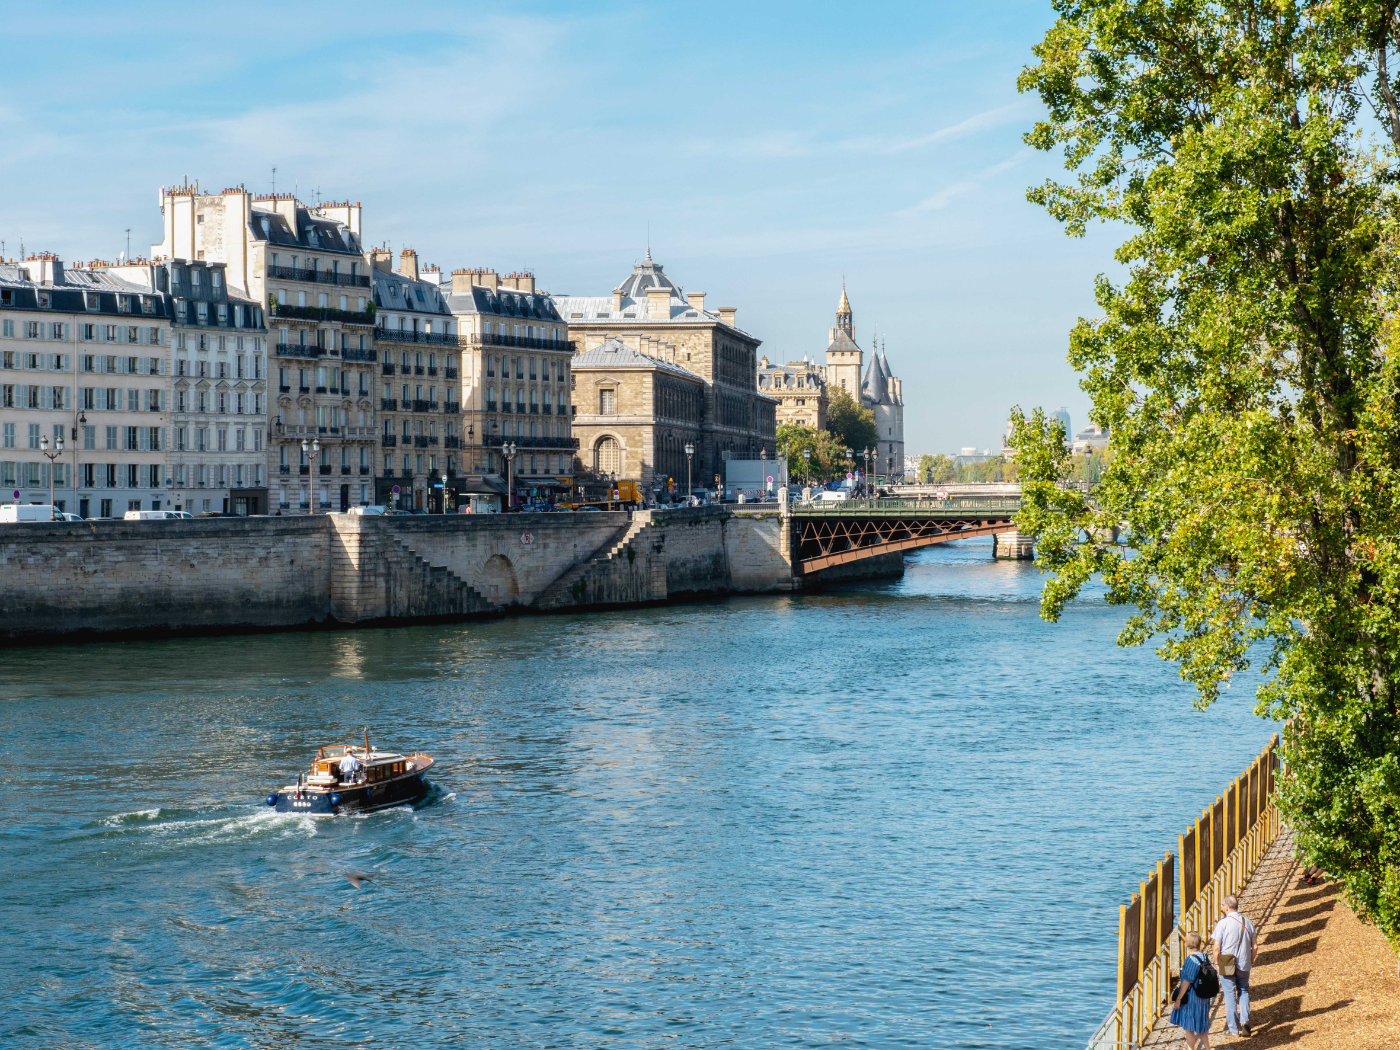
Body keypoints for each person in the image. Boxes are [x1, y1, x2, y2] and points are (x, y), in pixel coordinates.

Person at [1212, 895, 1258, 1038]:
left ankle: (1233, 1029)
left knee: (1230, 994)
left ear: (1226, 908)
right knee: (1243, 991)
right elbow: (1255, 946)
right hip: (1244, 963)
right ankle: (1245, 1021)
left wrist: (1217, 963)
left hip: (1227, 964)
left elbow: (1216, 948)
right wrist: (1251, 961)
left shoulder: (1222, 924)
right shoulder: (1248, 922)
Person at [1171, 931, 1213, 1049]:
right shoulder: (1204, 957)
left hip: (1192, 997)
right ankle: (1207, 1048)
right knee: (1201, 1026)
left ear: (1188, 944)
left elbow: (1186, 982)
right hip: (1204, 996)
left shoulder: (1191, 960)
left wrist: (1178, 998)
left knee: (1189, 1028)